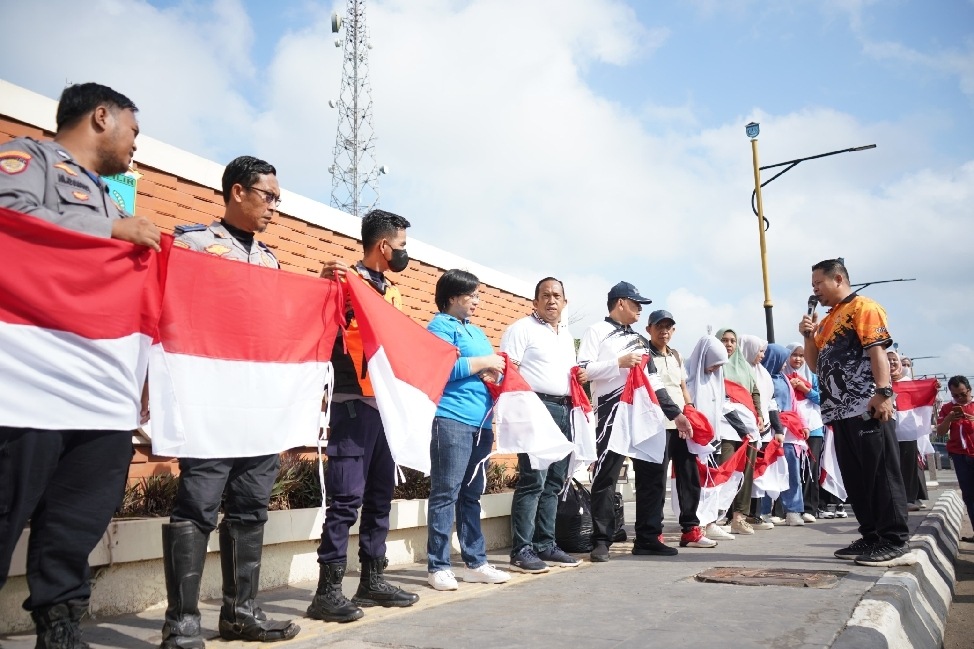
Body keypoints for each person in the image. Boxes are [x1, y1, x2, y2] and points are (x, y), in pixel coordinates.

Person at [0, 82, 161, 649]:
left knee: (78, 516)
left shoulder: (109, 195)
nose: (137, 144)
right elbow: (8, 215)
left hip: (98, 390)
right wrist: (110, 231)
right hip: (31, 379)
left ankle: (60, 625)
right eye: (134, 130)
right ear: (101, 117)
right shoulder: (30, 158)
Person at [160, 156, 300, 648]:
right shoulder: (193, 244)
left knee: (250, 509)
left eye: (278, 199)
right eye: (269, 196)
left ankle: (241, 614)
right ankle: (182, 623)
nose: (274, 208)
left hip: (257, 406)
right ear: (238, 192)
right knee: (197, 506)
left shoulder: (270, 261)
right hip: (209, 401)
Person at [307, 210, 420, 622]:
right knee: (345, 500)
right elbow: (317, 321)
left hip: (384, 407)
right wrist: (323, 284)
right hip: (352, 404)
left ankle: (372, 580)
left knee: (378, 499)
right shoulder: (341, 280)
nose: (405, 255)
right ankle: (327, 590)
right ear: (384, 246)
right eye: (403, 247)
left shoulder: (392, 292)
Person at [799, 258, 913, 567]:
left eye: (818, 284)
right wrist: (808, 336)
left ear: (838, 279)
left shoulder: (863, 307)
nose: (815, 291)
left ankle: (894, 539)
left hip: (867, 406)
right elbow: (814, 365)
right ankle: (872, 535)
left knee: (881, 474)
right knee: (856, 478)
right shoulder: (827, 319)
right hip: (839, 413)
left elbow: (877, 351)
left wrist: (884, 393)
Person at [576, 282, 692, 561]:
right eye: (636, 303)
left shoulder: (640, 341)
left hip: (643, 415)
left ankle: (649, 537)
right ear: (620, 303)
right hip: (610, 416)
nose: (640, 308)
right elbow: (582, 371)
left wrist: (676, 414)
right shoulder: (596, 331)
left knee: (652, 477)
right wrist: (618, 362)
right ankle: (602, 539)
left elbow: (654, 381)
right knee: (606, 477)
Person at [425, 269, 512, 590]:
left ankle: (475, 563)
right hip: (451, 418)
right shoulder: (439, 326)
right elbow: (442, 368)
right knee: (445, 493)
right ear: (452, 296)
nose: (477, 301)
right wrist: (484, 362)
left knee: (472, 495)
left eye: (478, 295)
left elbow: (487, 370)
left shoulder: (475, 332)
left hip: (481, 422)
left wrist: (491, 370)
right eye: (471, 295)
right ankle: (438, 566)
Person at [501, 278, 583, 573]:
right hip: (536, 407)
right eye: (545, 296)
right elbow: (510, 371)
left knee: (554, 482)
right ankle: (521, 549)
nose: (551, 300)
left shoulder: (566, 334)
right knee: (533, 480)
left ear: (565, 302)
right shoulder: (521, 329)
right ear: (534, 301)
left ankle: (545, 544)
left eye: (557, 296)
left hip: (564, 409)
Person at [646, 311, 715, 548]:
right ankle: (654, 531)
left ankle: (691, 530)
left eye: (668, 327)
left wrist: (690, 412)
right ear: (649, 330)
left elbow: (683, 387)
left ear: (673, 331)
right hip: (658, 424)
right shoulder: (645, 355)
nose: (664, 331)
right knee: (656, 479)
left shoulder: (676, 355)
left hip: (682, 425)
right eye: (659, 327)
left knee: (689, 476)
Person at [682, 333, 730, 545]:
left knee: (711, 484)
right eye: (713, 364)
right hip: (693, 441)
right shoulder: (688, 376)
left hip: (712, 440)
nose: (715, 369)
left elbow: (721, 406)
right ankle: (695, 525)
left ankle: (709, 522)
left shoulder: (715, 379)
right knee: (693, 483)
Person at [758, 344, 806, 527]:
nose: (785, 361)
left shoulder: (784, 378)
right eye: (782, 357)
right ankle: (763, 512)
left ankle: (793, 510)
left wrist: (802, 425)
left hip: (790, 432)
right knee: (766, 471)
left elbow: (793, 404)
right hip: (771, 431)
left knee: (791, 471)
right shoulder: (764, 378)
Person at [786, 343, 827, 522]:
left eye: (802, 355)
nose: (798, 359)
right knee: (793, 469)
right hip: (791, 427)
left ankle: (810, 508)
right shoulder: (782, 375)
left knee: (811, 468)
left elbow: (823, 399)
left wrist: (806, 389)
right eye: (794, 355)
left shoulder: (813, 376)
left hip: (814, 426)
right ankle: (792, 509)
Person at [936, 376, 974, 543]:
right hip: (960, 456)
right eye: (955, 395)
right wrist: (949, 419)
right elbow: (941, 432)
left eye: (962, 394)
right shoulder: (947, 409)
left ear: (969, 390)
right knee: (969, 496)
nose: (959, 398)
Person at [888, 350, 922, 512]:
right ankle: (893, 499)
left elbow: (922, 400)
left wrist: (931, 390)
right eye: (888, 360)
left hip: (907, 430)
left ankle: (909, 498)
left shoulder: (909, 382)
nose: (892, 363)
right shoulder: (879, 381)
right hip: (888, 429)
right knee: (891, 465)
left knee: (908, 466)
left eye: (894, 360)